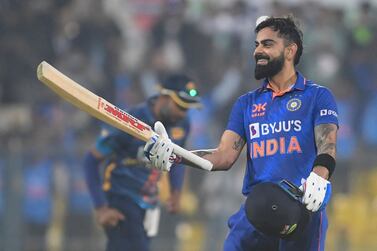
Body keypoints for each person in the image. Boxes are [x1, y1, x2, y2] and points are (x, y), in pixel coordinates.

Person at [144, 15, 338, 251]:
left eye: (267, 44)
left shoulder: (317, 96)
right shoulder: (246, 104)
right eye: (256, 44)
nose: (258, 51)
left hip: (301, 211)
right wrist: (176, 155)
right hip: (256, 212)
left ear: (290, 51)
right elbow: (224, 156)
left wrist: (319, 176)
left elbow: (327, 144)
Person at [83, 73, 201, 251]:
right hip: (120, 200)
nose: (183, 113)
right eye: (179, 106)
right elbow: (91, 160)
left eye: (187, 108)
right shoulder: (131, 120)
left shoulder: (182, 125)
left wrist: (175, 192)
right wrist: (101, 208)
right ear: (163, 95)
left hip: (149, 205)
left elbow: (177, 158)